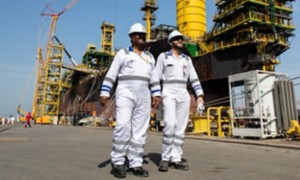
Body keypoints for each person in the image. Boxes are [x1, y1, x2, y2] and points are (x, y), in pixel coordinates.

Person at [99, 23, 161, 178]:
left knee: (140, 130)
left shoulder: (149, 57)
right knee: (123, 126)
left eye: (143, 35)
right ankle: (118, 162)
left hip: (144, 94)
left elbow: (154, 78)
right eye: (138, 35)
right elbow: (112, 74)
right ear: (132, 37)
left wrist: (156, 94)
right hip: (125, 91)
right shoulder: (123, 54)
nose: (142, 37)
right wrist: (104, 92)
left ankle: (136, 163)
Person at [155, 30, 205, 172]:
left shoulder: (187, 59)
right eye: (176, 39)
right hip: (169, 92)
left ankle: (176, 158)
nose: (180, 40)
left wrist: (199, 95)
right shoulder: (163, 57)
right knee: (170, 124)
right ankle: (165, 158)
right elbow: (156, 76)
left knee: (181, 128)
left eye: (181, 39)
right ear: (171, 42)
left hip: (183, 93)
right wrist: (156, 93)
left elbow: (194, 78)